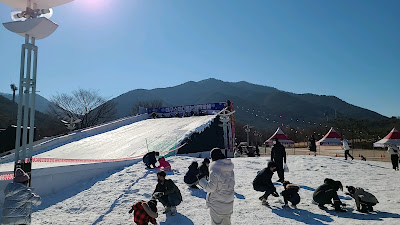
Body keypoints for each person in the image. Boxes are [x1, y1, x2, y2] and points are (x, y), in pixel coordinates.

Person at [199, 148, 235, 225]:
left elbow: (211, 188)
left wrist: (201, 180)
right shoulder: (230, 170)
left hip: (218, 205)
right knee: (226, 222)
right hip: (229, 203)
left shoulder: (214, 171)